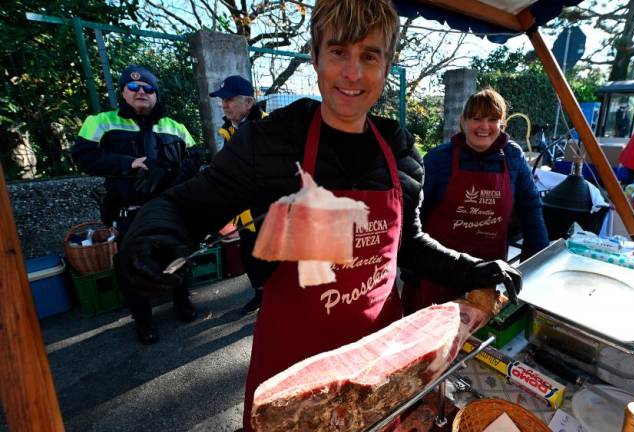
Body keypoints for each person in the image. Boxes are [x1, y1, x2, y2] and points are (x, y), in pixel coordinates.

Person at [113, 1, 521, 430]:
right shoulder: (271, 141)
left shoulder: (398, 149)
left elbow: (409, 244)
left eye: (370, 55)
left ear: (387, 64)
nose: (352, 72)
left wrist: (475, 269)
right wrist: (148, 238)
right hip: (292, 366)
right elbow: (185, 204)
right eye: (339, 52)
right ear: (315, 56)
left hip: (380, 360)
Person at [72, 65, 201, 345]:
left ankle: (183, 304)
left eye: (148, 88)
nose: (141, 92)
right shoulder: (102, 121)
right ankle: (143, 321)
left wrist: (173, 175)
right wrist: (129, 164)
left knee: (177, 258)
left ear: (156, 94)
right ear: (123, 92)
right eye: (134, 88)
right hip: (130, 211)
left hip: (169, 208)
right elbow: (82, 156)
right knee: (133, 266)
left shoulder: (174, 127)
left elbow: (195, 158)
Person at [401, 88, 548, 315]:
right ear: (463, 121)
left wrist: (537, 265)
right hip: (439, 271)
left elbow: (530, 208)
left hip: (489, 273)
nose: (484, 127)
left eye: (492, 119)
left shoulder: (513, 157)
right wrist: (412, 268)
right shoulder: (439, 159)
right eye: (476, 118)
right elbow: (413, 214)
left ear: (502, 124)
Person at [209, 75, 270, 315]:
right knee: (250, 258)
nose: (224, 104)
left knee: (276, 261)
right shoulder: (228, 130)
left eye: (230, 99)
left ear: (249, 102)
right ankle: (260, 295)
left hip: (267, 212)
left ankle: (278, 303)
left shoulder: (267, 127)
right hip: (244, 214)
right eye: (222, 100)